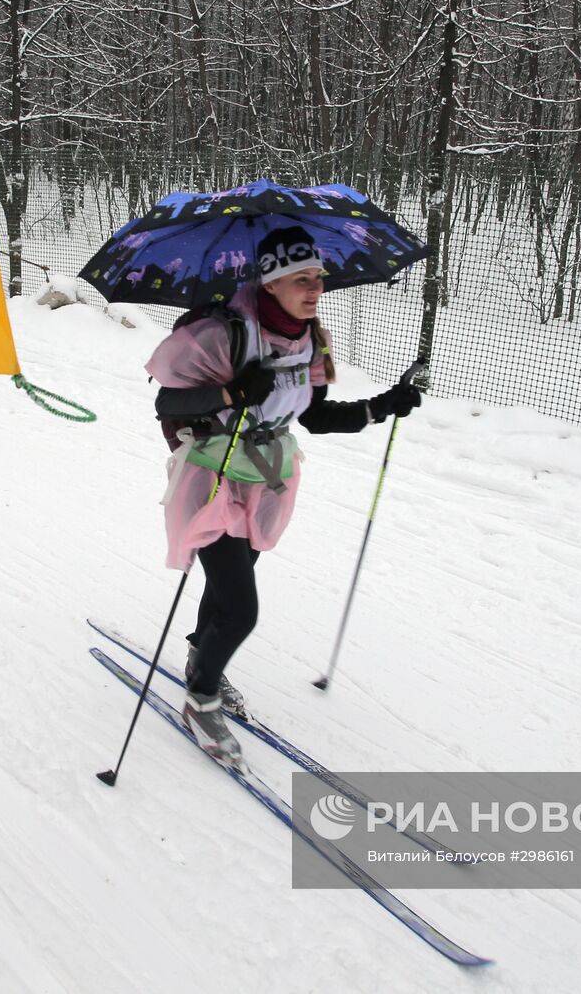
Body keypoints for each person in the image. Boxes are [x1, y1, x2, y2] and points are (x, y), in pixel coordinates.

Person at [144, 226, 421, 768]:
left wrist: (382, 406)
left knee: (230, 588)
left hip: (267, 472)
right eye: (301, 277)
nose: (316, 286)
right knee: (242, 609)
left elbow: (314, 416)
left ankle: (205, 657)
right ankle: (200, 698)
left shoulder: (312, 338)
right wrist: (229, 392)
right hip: (212, 473)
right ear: (270, 283)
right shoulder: (225, 331)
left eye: (318, 276)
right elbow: (167, 400)